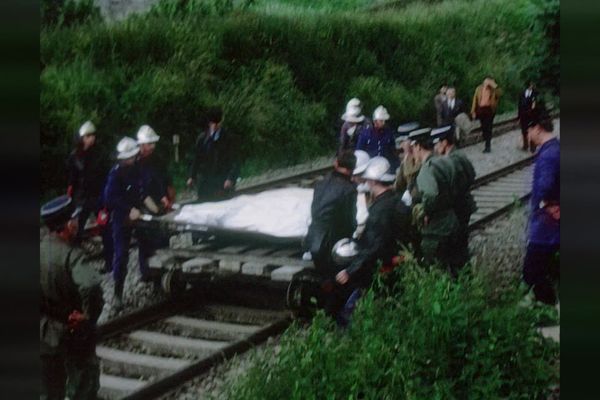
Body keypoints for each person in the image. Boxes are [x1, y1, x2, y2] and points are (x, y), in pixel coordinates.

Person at [335, 157, 412, 325]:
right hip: (399, 265)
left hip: (381, 269)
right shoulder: (398, 201)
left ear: (372, 181)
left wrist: (350, 271)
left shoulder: (379, 211)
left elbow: (374, 247)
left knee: (346, 316)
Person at [40, 195, 104, 400]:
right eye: (74, 220)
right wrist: (87, 316)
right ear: (68, 225)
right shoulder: (72, 255)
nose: (77, 223)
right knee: (84, 385)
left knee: (50, 389)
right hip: (72, 331)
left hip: (43, 332)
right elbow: (91, 286)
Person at [523, 108, 559, 304]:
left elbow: (545, 187)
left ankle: (548, 312)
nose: (528, 135)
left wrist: (546, 202)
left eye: (529, 131)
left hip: (546, 227)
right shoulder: (556, 148)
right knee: (549, 269)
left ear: (537, 128)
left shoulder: (548, 155)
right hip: (553, 225)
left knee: (531, 272)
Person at [411, 129, 460, 273]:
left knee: (437, 271)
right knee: (455, 270)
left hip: (436, 231)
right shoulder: (445, 161)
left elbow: (431, 195)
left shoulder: (426, 170)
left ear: (418, 147)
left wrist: (425, 211)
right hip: (453, 223)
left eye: (413, 149)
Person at [104, 137, 144, 309]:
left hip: (139, 213)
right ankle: (117, 293)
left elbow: (141, 188)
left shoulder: (136, 169)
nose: (133, 158)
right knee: (121, 255)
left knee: (150, 243)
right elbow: (110, 198)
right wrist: (129, 210)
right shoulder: (115, 173)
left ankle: (149, 275)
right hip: (122, 217)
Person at [65, 121, 112, 269]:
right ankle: (73, 263)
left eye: (92, 135)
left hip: (99, 197)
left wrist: (107, 198)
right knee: (76, 231)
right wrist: (69, 199)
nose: (91, 138)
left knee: (105, 229)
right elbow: (71, 180)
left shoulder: (101, 154)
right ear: (81, 138)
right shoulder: (74, 156)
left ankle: (109, 262)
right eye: (87, 136)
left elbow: (107, 177)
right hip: (81, 199)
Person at [432, 125, 477, 269]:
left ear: (444, 143)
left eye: (437, 143)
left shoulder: (452, 160)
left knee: (458, 247)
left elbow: (453, 188)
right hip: (464, 205)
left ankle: (462, 276)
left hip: (458, 208)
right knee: (461, 244)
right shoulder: (459, 155)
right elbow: (472, 174)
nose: (435, 147)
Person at [187, 107, 240, 202]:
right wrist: (192, 176)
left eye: (217, 123)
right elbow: (196, 159)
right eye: (212, 123)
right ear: (209, 123)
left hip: (222, 182)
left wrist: (230, 178)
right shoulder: (202, 139)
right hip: (205, 183)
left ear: (221, 121)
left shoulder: (229, 138)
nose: (215, 126)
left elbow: (235, 161)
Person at [356, 105, 398, 171]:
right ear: (375, 121)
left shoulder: (388, 133)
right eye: (381, 121)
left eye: (384, 121)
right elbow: (359, 152)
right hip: (369, 165)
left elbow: (392, 150)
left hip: (385, 166)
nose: (383, 123)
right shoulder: (365, 134)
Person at [470, 77, 501, 153]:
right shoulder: (479, 88)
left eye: (489, 81)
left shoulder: (493, 90)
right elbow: (475, 100)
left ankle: (488, 146)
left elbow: (499, 94)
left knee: (489, 127)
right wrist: (473, 111)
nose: (487, 82)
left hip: (489, 110)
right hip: (481, 110)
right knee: (483, 127)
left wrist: (494, 85)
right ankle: (486, 138)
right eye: (486, 81)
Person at [394, 122, 421, 207]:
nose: (401, 146)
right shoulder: (406, 160)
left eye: (403, 142)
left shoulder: (423, 158)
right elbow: (398, 185)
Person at [518, 81, 539, 152]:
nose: (532, 86)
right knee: (524, 131)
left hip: (531, 115)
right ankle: (525, 145)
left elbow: (535, 104)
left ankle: (533, 147)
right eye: (531, 84)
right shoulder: (522, 93)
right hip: (523, 115)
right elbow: (519, 105)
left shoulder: (535, 93)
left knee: (532, 130)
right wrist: (519, 116)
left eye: (532, 85)